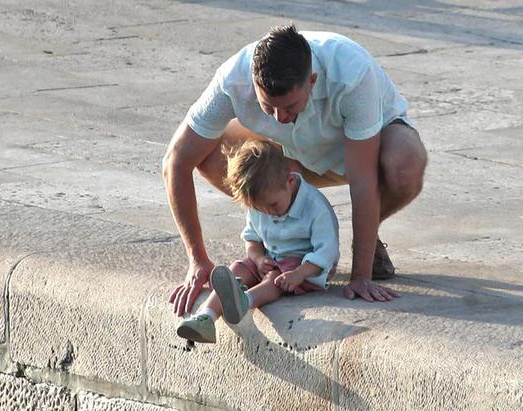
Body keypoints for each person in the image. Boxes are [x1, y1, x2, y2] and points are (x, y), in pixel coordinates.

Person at [164, 24, 427, 315]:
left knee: (405, 165)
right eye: (269, 107)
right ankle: (284, 240)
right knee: (209, 153)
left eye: (289, 106)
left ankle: (369, 237)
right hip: (286, 159)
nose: (280, 116)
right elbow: (175, 161)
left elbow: (363, 180)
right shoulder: (233, 78)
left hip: (355, 151)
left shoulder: (351, 71)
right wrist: (197, 259)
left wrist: (361, 276)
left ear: (312, 81)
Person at [177, 140, 339, 344]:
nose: (269, 212)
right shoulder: (261, 202)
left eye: (273, 205)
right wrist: (258, 257)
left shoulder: (315, 207)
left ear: (289, 181)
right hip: (270, 258)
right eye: (261, 209)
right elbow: (252, 239)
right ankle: (206, 316)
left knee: (275, 278)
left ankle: (244, 302)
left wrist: (300, 273)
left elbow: (327, 252)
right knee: (236, 270)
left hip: (304, 267)